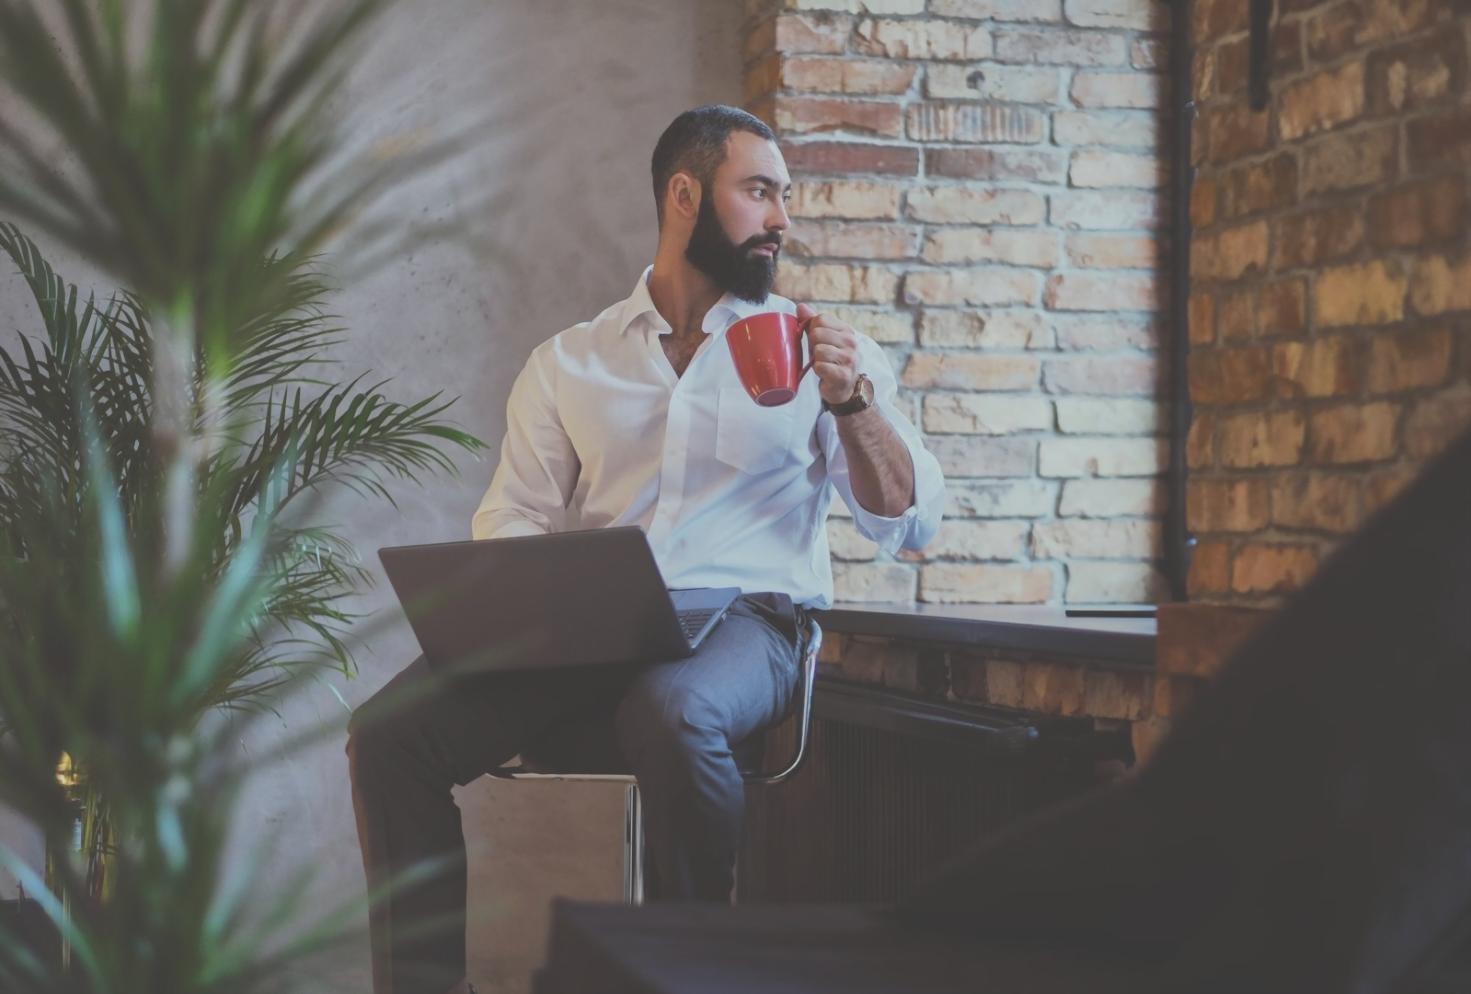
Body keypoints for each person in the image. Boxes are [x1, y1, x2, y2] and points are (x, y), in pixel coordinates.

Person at [346, 103, 946, 994]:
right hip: (592, 628)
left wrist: (853, 401)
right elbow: (510, 518)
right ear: (683, 194)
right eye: (759, 192)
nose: (782, 218)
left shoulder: (827, 355)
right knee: (387, 734)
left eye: (784, 195)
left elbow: (908, 522)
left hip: (752, 624)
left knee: (672, 710)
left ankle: (687, 975)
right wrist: (542, 605)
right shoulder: (569, 361)